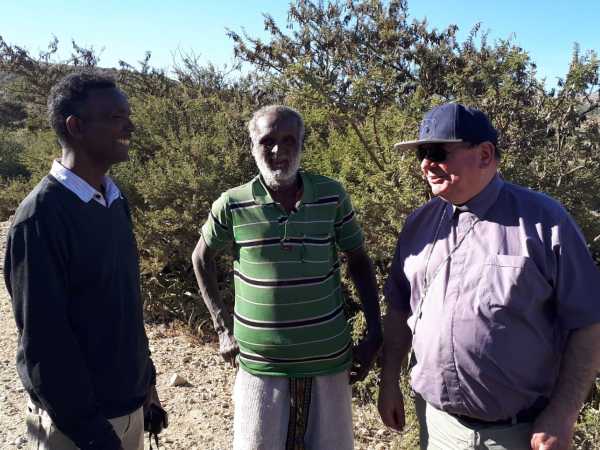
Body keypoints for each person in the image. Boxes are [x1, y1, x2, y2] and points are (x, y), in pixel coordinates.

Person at [378, 103, 600, 450]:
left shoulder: (545, 222)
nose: (425, 164)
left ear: (484, 154)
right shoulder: (419, 224)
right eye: (422, 153)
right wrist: (388, 379)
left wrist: (563, 414)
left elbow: (589, 322)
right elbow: (398, 307)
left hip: (519, 434)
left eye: (437, 151)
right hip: (437, 427)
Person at [191, 105, 382, 449]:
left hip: (328, 358)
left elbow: (359, 261)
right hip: (259, 364)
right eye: (268, 141)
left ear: (302, 144)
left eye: (289, 140)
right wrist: (221, 329)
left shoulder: (331, 196)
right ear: (253, 147)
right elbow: (201, 257)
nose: (278, 151)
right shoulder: (232, 204)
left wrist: (374, 332)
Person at [3, 72, 164, 450]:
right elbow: (45, 344)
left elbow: (124, 303)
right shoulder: (40, 217)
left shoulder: (112, 199)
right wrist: (93, 435)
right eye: (115, 118)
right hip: (76, 429)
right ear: (75, 126)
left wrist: (148, 384)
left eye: (128, 115)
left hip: (127, 410)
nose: (130, 126)